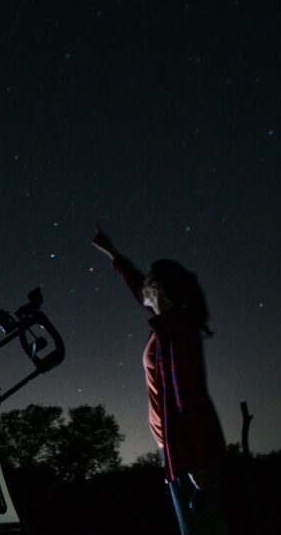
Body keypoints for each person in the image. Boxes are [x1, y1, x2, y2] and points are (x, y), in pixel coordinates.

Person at [92, 224, 229, 535]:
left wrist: (194, 461)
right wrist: (111, 252)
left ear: (161, 291)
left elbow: (187, 396)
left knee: (203, 528)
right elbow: (135, 283)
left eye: (151, 285)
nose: (144, 290)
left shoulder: (176, 332)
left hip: (189, 448)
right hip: (173, 445)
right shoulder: (167, 326)